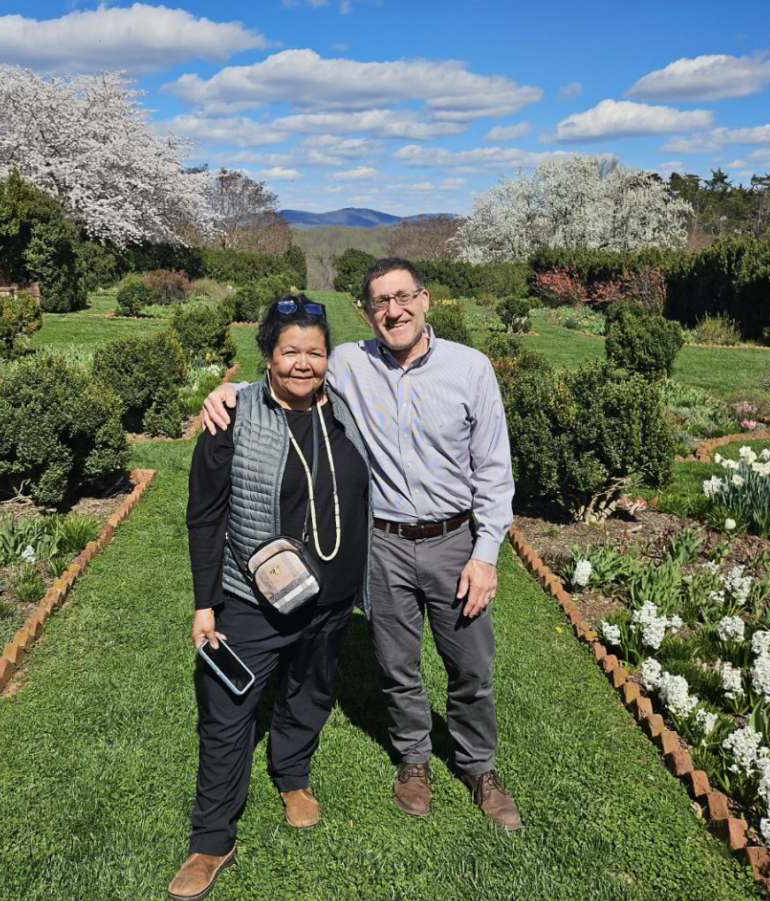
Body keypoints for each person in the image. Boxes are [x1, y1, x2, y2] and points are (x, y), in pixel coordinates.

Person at [201, 258, 520, 831]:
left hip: (453, 541)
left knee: (471, 664)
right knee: (397, 665)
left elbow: (495, 471)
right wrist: (230, 391)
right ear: (367, 312)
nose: (393, 310)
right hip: (382, 542)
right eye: (380, 302)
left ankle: (479, 766)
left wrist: (486, 552)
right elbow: (295, 373)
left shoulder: (470, 369)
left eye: (403, 298)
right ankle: (414, 761)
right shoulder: (351, 362)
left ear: (426, 301)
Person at [172, 296, 373, 901]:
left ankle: (292, 773)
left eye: (315, 352)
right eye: (291, 352)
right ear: (268, 355)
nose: (303, 364)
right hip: (253, 602)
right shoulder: (232, 416)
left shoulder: (347, 411)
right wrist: (205, 603)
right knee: (228, 711)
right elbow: (204, 517)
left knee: (310, 690)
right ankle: (212, 838)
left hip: (332, 600)